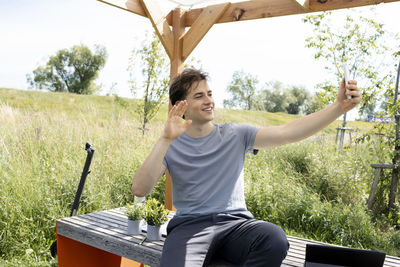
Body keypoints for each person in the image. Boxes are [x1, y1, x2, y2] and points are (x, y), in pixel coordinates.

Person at [131, 68, 361, 267]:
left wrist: (339, 108)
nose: (209, 100)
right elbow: (140, 189)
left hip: (235, 225)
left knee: (274, 238)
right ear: (181, 106)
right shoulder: (170, 144)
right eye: (199, 96)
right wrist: (164, 139)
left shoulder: (235, 134)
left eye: (209, 94)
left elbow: (287, 133)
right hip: (188, 227)